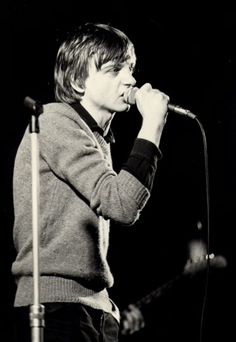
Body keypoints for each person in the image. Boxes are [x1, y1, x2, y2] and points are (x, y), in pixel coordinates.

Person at [11, 22, 169, 341]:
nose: (131, 79)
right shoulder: (53, 121)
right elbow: (121, 204)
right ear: (78, 80)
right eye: (114, 70)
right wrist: (152, 125)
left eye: (130, 68)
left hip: (94, 308)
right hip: (57, 306)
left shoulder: (98, 138)